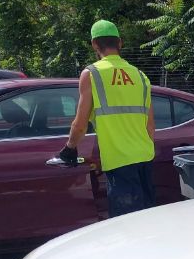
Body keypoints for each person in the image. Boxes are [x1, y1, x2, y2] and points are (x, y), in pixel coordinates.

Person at [60, 19, 156, 217]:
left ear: (95, 44)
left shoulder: (92, 74)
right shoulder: (140, 76)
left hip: (119, 162)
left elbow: (80, 124)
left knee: (127, 227)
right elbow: (150, 127)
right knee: (147, 222)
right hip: (145, 158)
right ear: (120, 43)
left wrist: (69, 148)